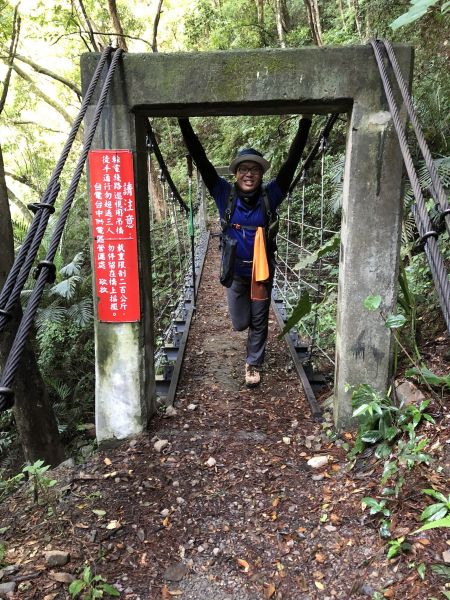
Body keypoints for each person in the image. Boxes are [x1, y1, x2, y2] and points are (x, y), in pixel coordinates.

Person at [178, 116, 312, 388]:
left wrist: (305, 124)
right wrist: (183, 120)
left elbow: (291, 164)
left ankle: (253, 363)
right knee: (241, 322)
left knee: (260, 320)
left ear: (261, 175)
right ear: (236, 173)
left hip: (260, 272)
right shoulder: (222, 193)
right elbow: (201, 159)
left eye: (254, 169)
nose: (249, 173)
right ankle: (251, 333)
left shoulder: (270, 195)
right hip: (235, 272)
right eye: (243, 169)